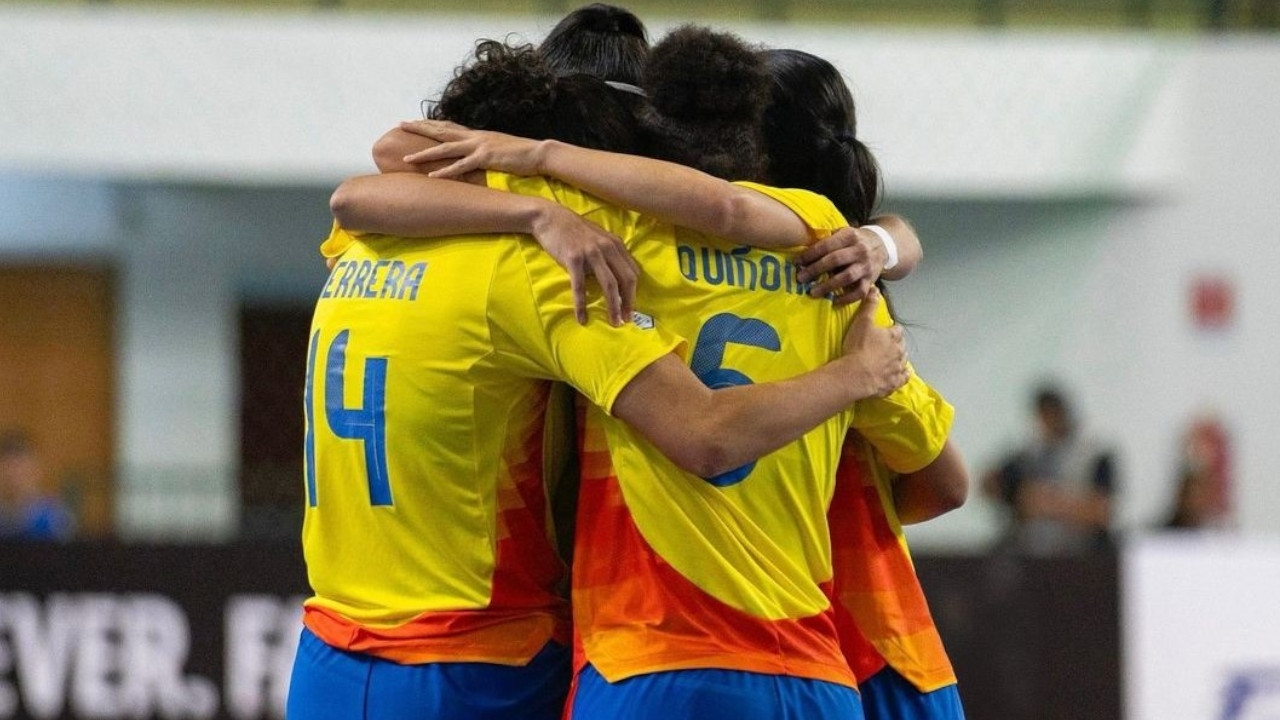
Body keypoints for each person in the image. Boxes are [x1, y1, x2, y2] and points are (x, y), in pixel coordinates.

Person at [288, 38, 910, 720]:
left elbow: (358, 186)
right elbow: (713, 434)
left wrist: (534, 191)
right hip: (480, 660)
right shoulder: (576, 264)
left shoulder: (364, 240)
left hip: (328, 656)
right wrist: (872, 306)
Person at [982, 384, 1116, 555]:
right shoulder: (1029, 454)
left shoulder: (1095, 454)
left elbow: (1103, 512)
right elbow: (991, 485)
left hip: (1082, 553)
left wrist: (1049, 503)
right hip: (1032, 551)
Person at [0, 429, 74, 541]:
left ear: (36, 470)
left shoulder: (54, 517)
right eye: (8, 468)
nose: (13, 476)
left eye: (20, 468)